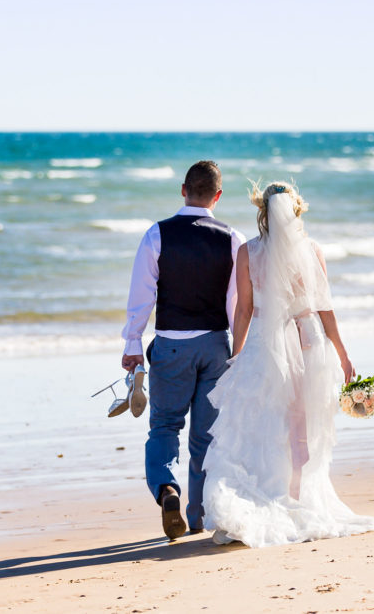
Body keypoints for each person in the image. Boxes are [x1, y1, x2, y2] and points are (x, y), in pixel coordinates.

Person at [202, 181, 374, 548]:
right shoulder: (313, 251)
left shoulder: (249, 252)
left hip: (270, 344)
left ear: (262, 212)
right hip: (310, 339)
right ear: (296, 211)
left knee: (264, 422)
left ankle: (274, 494)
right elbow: (324, 308)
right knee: (303, 424)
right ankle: (296, 497)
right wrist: (342, 353)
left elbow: (245, 309)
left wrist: (237, 353)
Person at [122, 160, 246, 540]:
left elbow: (141, 297)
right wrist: (238, 354)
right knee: (205, 436)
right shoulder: (232, 238)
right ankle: (198, 517)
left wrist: (132, 344)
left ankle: (166, 489)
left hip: (171, 346)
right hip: (214, 346)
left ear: (183, 190)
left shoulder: (156, 235)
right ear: (218, 196)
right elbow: (236, 303)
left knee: (164, 426)